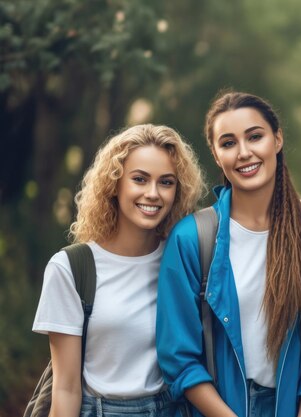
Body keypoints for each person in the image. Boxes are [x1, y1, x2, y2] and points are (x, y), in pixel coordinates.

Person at [156, 91, 301, 417]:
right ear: (215, 155)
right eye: (228, 143)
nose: (244, 152)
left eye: (255, 137)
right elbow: (178, 357)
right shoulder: (191, 239)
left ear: (277, 139)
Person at [32, 124, 206, 417]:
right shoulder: (72, 268)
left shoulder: (185, 257)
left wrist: (292, 216)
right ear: (115, 183)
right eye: (139, 179)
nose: (153, 193)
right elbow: (66, 388)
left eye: (166, 182)